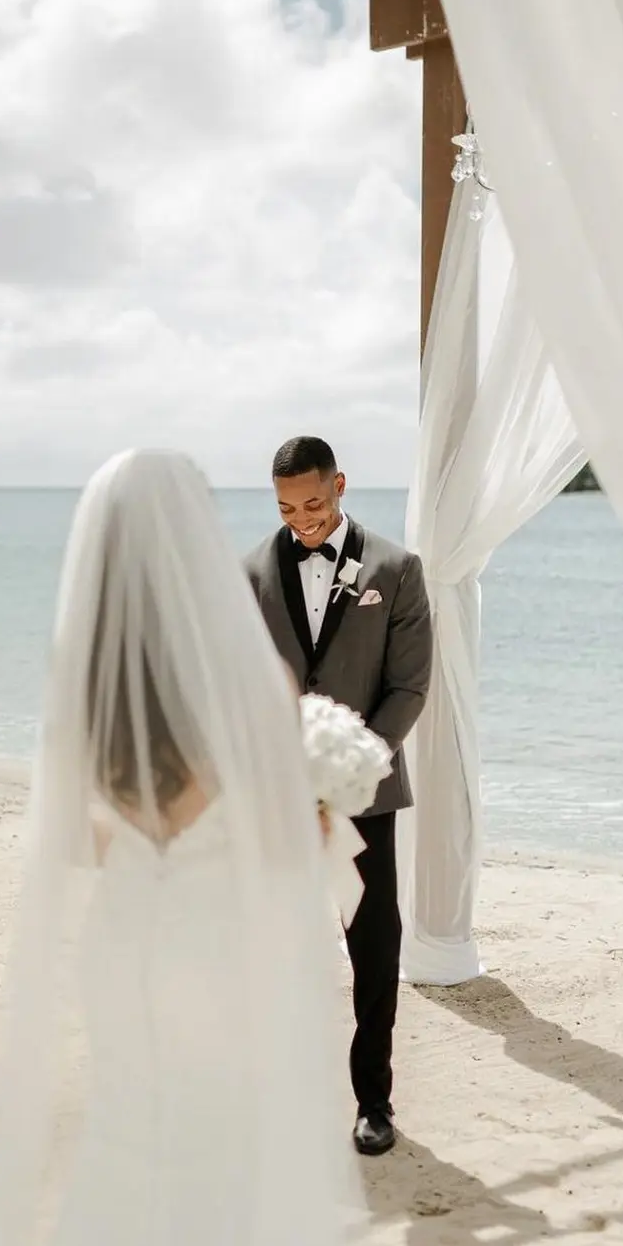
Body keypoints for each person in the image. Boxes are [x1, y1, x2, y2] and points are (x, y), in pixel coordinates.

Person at [0, 449, 371, 1246]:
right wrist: (324, 813)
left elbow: (79, 840)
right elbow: (282, 844)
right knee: (227, 1154)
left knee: (132, 1142)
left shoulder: (83, 678)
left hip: (126, 939)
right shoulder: (250, 680)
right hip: (215, 942)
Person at [246, 436, 433, 1158]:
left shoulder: (397, 569)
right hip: (279, 796)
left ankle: (373, 1101)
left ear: (342, 486)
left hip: (367, 795)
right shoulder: (249, 575)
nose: (304, 520)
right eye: (288, 508)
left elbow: (409, 686)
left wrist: (352, 764)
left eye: (315, 503)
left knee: (374, 948)